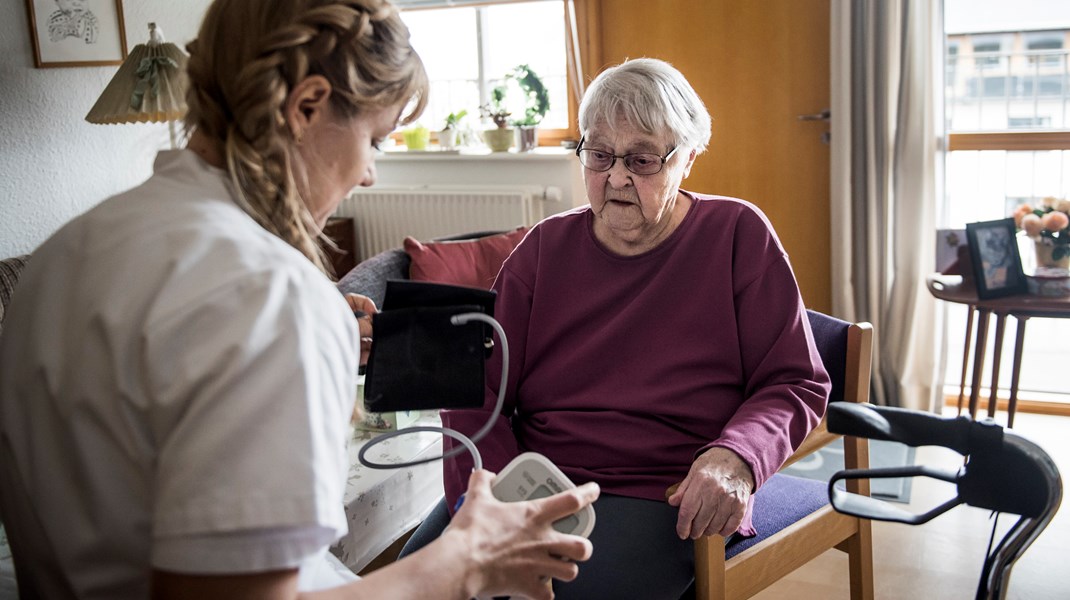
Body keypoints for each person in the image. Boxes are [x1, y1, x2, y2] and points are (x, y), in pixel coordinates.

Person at [0, 0, 598, 598]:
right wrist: (467, 560)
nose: (368, 175)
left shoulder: (65, 253)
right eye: (375, 140)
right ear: (306, 106)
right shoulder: (271, 296)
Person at [403, 57, 830, 598]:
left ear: (688, 159)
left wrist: (737, 458)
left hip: (664, 493)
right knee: (413, 585)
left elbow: (794, 380)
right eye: (600, 155)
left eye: (643, 158)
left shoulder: (737, 236)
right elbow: (473, 389)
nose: (617, 177)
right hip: (534, 481)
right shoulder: (543, 250)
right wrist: (495, 494)